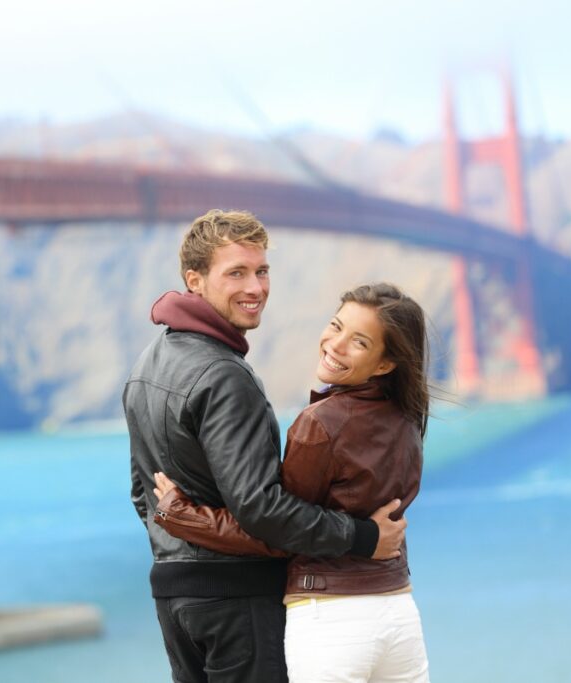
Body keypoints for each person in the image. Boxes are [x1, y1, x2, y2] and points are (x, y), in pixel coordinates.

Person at [125, 209, 407, 683]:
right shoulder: (225, 377)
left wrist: (181, 538)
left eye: (261, 271)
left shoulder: (146, 365)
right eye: (236, 273)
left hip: (175, 599)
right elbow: (261, 508)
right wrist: (362, 537)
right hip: (239, 601)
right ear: (194, 280)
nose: (255, 288)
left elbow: (142, 494)